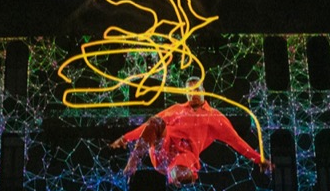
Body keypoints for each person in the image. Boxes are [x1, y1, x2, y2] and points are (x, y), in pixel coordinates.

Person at [111, 77, 271, 184]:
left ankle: (178, 175)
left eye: (196, 90)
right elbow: (149, 125)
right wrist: (125, 138)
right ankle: (132, 164)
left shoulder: (215, 117)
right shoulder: (176, 109)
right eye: (189, 91)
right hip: (164, 150)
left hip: (184, 158)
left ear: (203, 90)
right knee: (156, 122)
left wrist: (259, 159)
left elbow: (236, 141)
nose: (192, 94)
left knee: (183, 167)